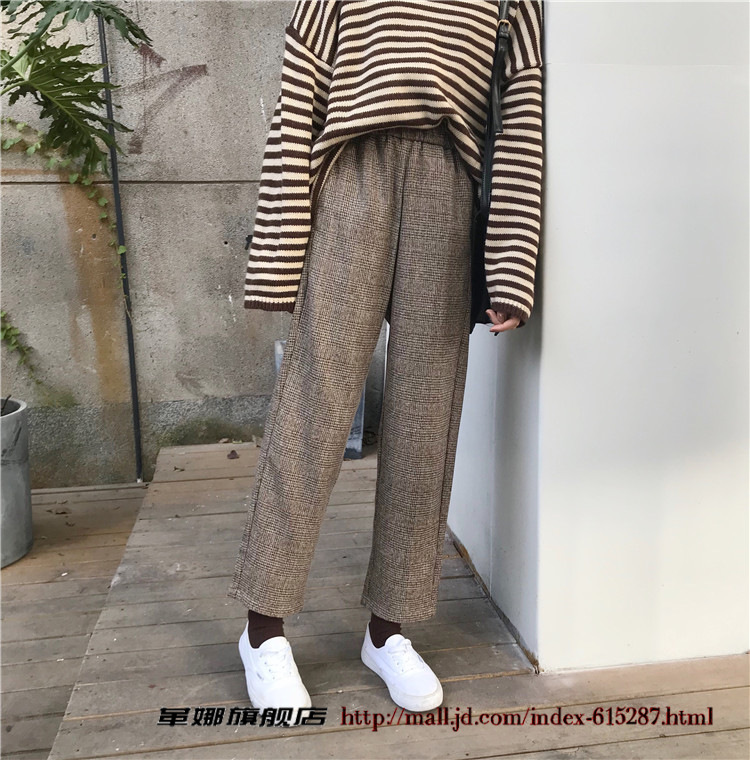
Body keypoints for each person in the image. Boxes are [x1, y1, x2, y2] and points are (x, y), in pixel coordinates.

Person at [227, 0, 544, 713]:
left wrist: (510, 263)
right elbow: (301, 91)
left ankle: (388, 629)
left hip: (449, 182)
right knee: (314, 406)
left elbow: (521, 115)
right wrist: (279, 250)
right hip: (353, 171)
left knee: (425, 418)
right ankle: (263, 630)